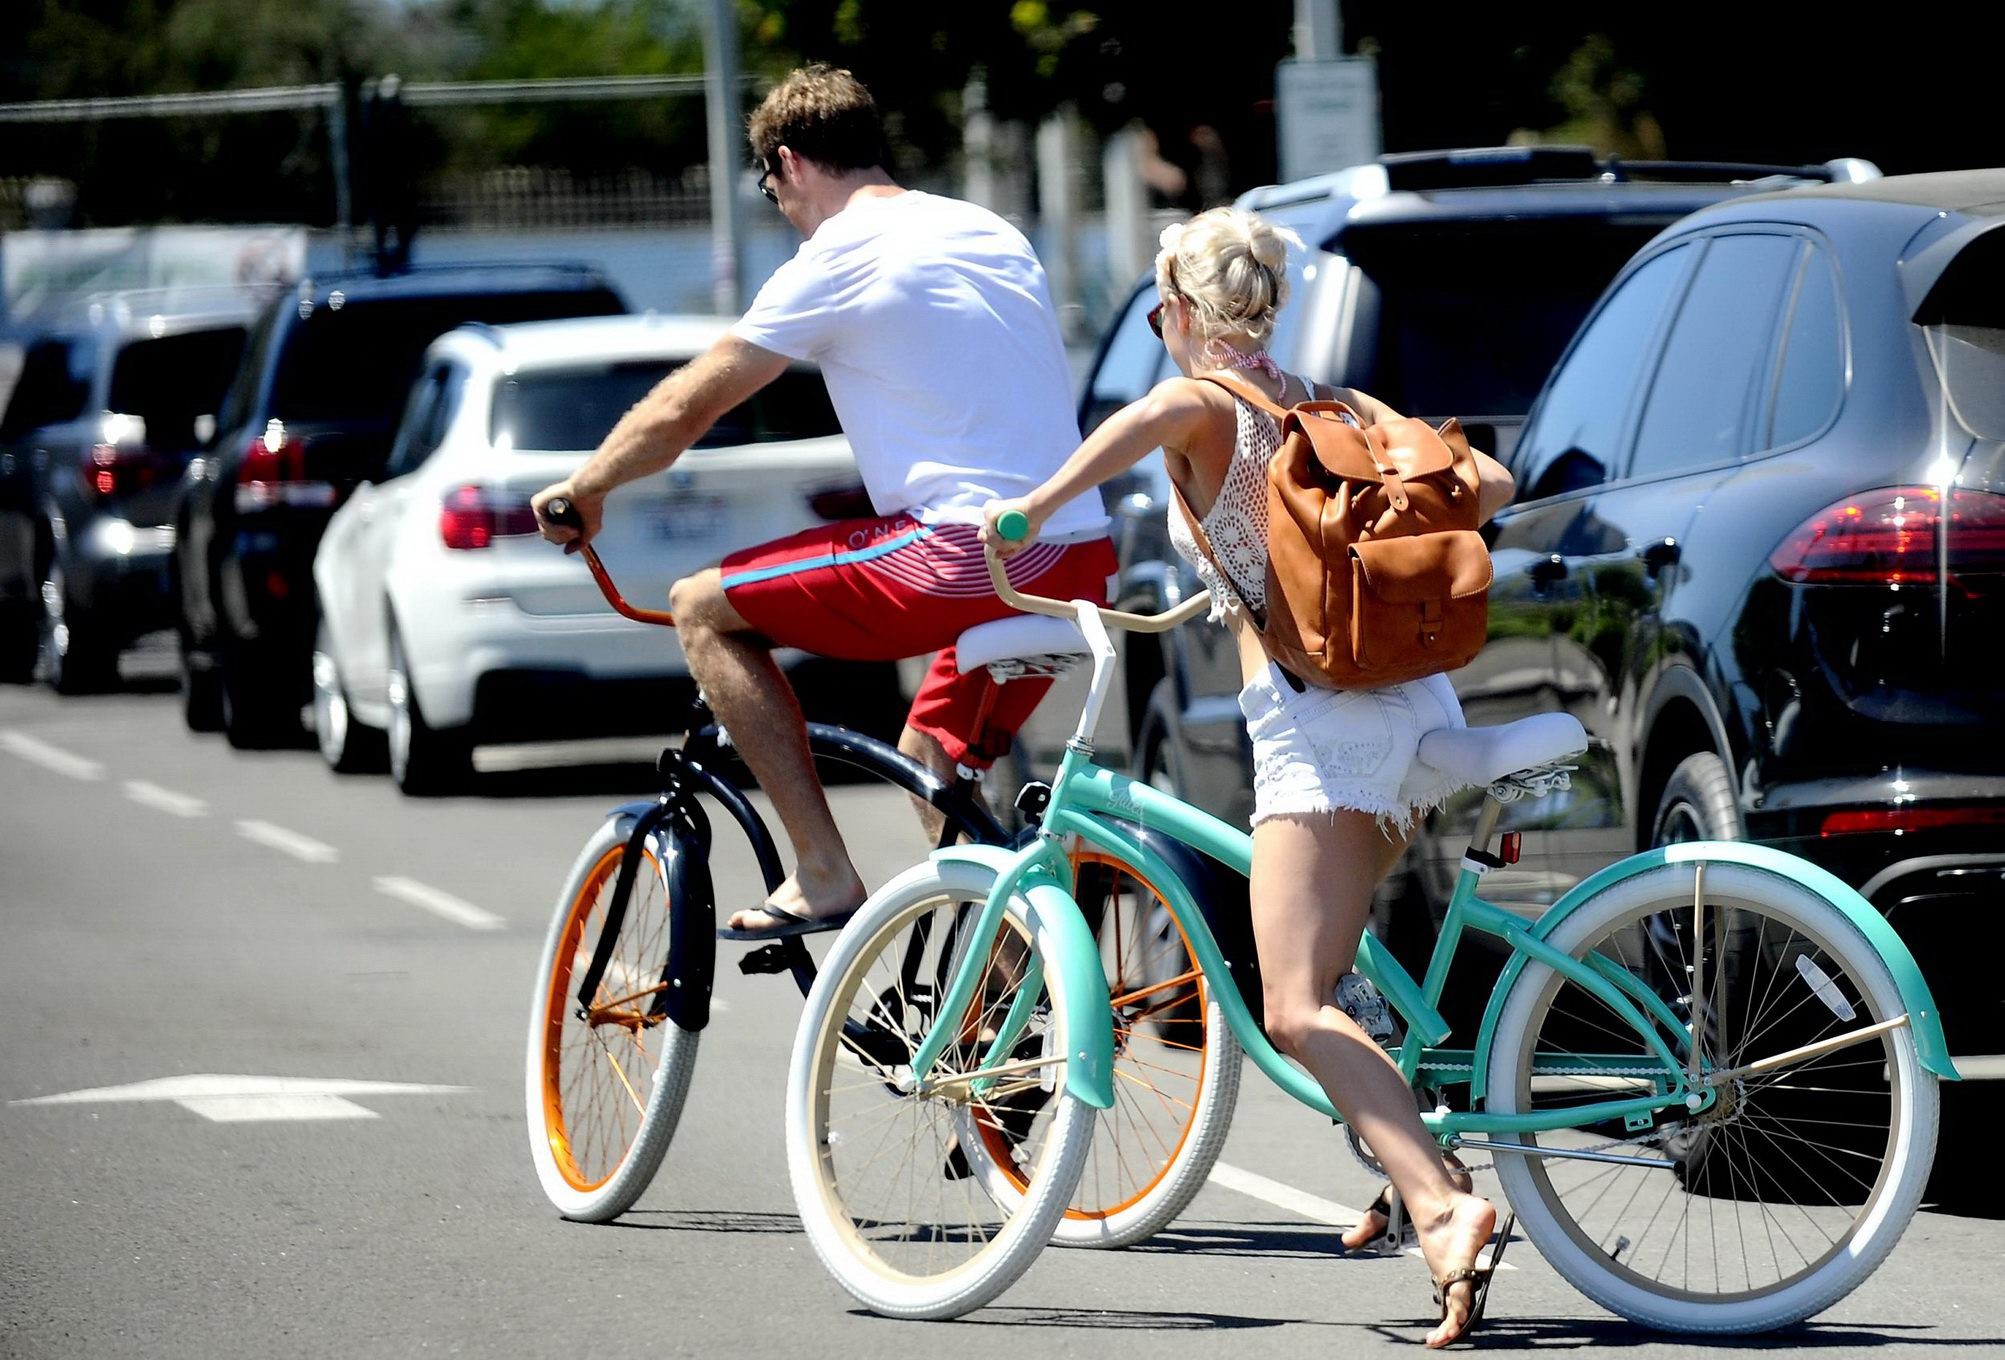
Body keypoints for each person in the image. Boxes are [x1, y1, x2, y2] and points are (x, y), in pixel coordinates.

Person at [981, 207, 1517, 1347]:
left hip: (1322, 729)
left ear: (1176, 310)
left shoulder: (1201, 400)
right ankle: (1402, 1152)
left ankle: (1442, 1201)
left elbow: (1122, 438)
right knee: (1337, 962)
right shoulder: (1335, 406)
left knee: (1291, 1004)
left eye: (1163, 309)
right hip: (1416, 702)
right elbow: (1495, 482)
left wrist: (1020, 512)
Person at [533, 65, 1114, 938]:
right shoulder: (984, 227)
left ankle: (823, 872)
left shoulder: (838, 255)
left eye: (771, 189)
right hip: (1078, 555)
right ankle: (1008, 1009)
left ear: (792, 163)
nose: (781, 208)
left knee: (700, 606)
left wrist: (587, 486)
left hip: (965, 556)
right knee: (930, 756)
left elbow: (690, 405)